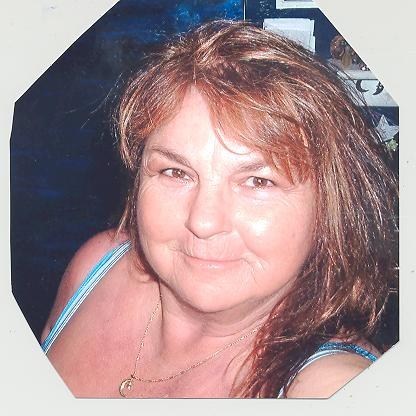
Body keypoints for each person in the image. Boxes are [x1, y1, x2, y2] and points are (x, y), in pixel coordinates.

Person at [40, 20, 397, 398]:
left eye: (258, 181)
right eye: (176, 172)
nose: (204, 221)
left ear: (329, 206)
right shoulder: (95, 266)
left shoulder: (329, 384)